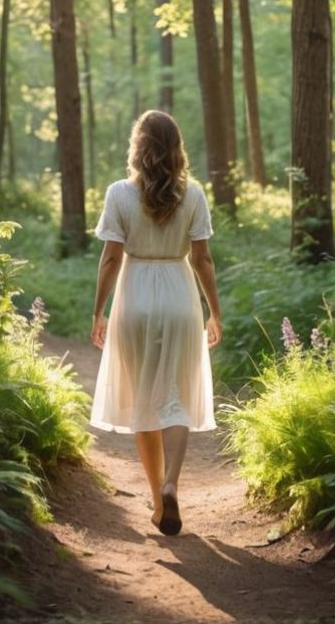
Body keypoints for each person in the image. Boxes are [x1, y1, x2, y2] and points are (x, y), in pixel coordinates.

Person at [90, 110, 222, 536]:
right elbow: (202, 258)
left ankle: (154, 500)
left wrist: (98, 310)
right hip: (181, 298)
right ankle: (171, 484)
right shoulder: (195, 195)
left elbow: (110, 258)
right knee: (176, 397)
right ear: (177, 148)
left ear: (138, 146)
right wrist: (214, 311)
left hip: (136, 298)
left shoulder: (118, 194)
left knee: (143, 399)